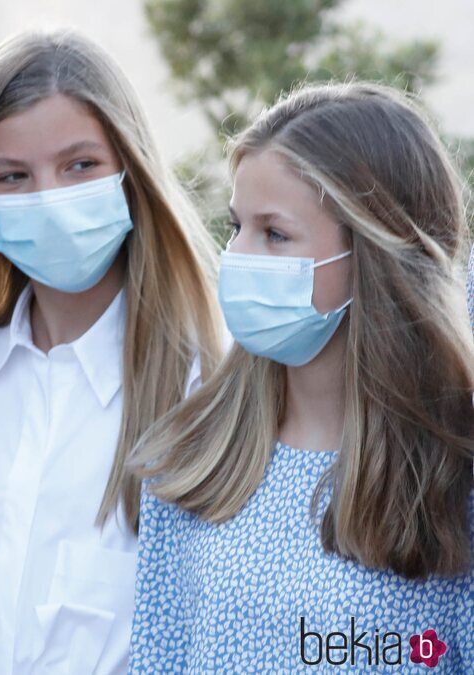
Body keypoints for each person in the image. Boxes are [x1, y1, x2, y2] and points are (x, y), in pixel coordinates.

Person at [0, 30, 225, 674]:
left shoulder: (204, 389)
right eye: (13, 176)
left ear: (130, 172)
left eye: (80, 166)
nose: (50, 198)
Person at [128, 82, 474, 672]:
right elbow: (158, 656)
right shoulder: (194, 453)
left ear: (372, 254)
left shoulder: (450, 478)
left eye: (275, 233)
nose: (238, 256)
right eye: (237, 227)